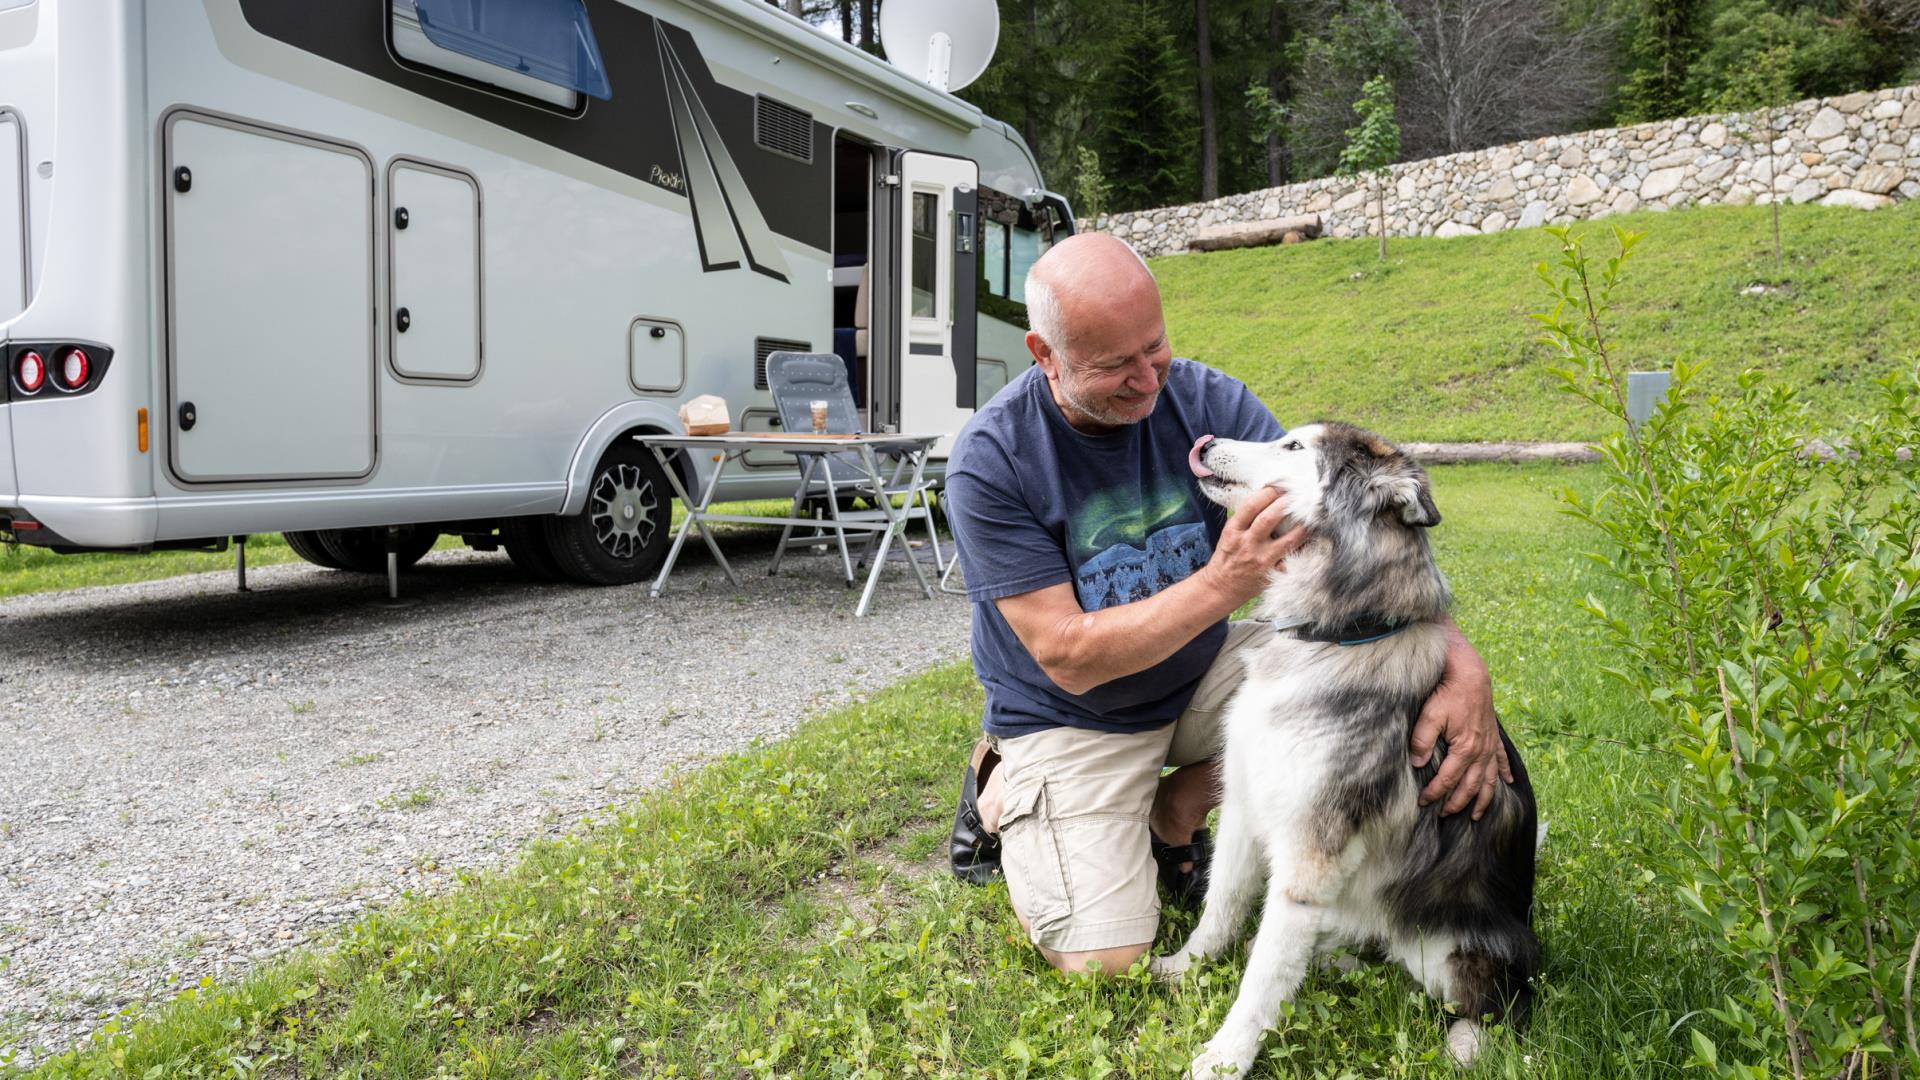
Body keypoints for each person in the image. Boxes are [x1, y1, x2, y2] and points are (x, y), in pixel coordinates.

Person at [941, 232, 1511, 976]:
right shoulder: (992, 458)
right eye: (1115, 364)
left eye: (1156, 347)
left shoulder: (1208, 399)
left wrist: (1461, 665)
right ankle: (1001, 784)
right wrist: (1223, 582)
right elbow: (1067, 656)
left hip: (1203, 674)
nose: (1147, 381)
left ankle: (1176, 807)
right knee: (1106, 960)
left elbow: (1353, 533)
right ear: (1045, 355)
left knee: (1385, 676)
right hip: (1075, 714)